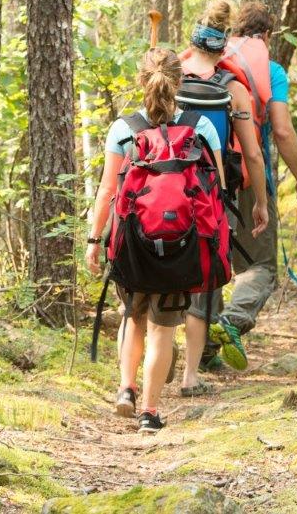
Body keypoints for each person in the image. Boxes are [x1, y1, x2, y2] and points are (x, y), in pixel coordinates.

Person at [84, 48, 225, 434]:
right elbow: (217, 192)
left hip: (132, 244)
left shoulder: (123, 128)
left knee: (133, 316)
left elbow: (107, 192)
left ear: (140, 81)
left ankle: (126, 389)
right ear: (180, 83)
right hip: (181, 247)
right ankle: (149, 411)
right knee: (164, 329)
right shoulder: (201, 128)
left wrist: (95, 240)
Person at [202, 1, 297, 366]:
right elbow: (281, 129)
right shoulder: (272, 70)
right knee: (261, 266)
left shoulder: (206, 63)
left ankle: (204, 350)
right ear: (266, 35)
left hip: (199, 175)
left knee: (210, 261)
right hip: (247, 174)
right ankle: (230, 323)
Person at [180, 0, 269, 396]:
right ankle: (191, 374)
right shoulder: (233, 89)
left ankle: (151, 365)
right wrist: (260, 202)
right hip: (212, 197)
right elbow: (251, 153)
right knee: (206, 278)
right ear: (223, 48)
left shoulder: (168, 78)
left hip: (161, 191)